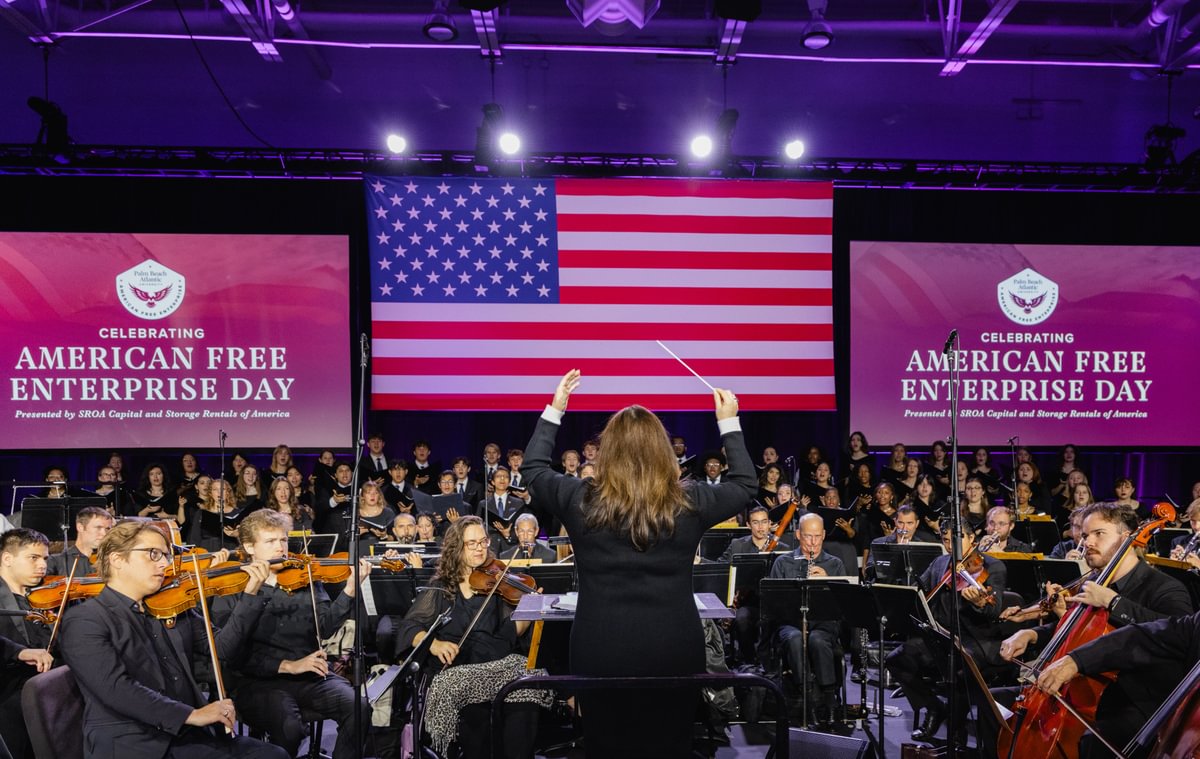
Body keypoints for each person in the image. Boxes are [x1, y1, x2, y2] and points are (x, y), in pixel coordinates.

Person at [522, 369, 755, 757]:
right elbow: (747, 485)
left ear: (607, 452)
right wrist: (728, 421)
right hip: (674, 647)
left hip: (599, 648)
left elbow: (532, 470)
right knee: (670, 746)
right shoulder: (690, 502)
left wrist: (555, 409)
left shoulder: (581, 499)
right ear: (663, 451)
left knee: (606, 747)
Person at [58, 520, 284, 759]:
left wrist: (250, 596)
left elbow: (222, 648)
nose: (165, 564)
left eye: (166, 555)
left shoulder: (172, 607)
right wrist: (191, 715)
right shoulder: (85, 619)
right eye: (153, 554)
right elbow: (117, 689)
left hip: (186, 734)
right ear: (117, 559)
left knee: (273, 754)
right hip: (136, 742)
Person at [992, 502, 1193, 757]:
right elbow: (1077, 629)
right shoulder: (1095, 581)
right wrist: (1031, 634)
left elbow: (1174, 636)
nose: (1087, 542)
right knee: (989, 703)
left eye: (1099, 534)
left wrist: (1113, 602)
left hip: (1132, 697)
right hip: (1077, 688)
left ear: (1126, 538)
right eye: (1085, 535)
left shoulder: (1165, 588)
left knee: (1092, 741)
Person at [211, 510, 372, 759]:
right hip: (256, 682)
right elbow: (229, 652)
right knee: (289, 726)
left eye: (283, 540)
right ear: (249, 547)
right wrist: (287, 666)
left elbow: (326, 627)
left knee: (358, 707)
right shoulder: (232, 585)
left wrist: (350, 590)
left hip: (308, 675)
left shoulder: (303, 575)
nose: (281, 548)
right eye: (271, 541)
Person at [388, 517, 549, 758]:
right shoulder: (442, 588)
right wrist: (434, 643)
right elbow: (409, 627)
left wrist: (530, 609)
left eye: (483, 541)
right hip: (460, 668)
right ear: (457, 548)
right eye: (471, 543)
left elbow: (510, 633)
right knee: (478, 718)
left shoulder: (497, 582)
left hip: (498, 664)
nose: (479, 548)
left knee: (525, 704)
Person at [887, 522, 1007, 741]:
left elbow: (994, 610)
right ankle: (933, 707)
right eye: (946, 540)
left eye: (957, 539)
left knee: (958, 669)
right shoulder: (940, 562)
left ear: (972, 538)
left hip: (974, 639)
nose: (951, 546)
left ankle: (956, 732)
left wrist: (979, 603)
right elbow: (919, 592)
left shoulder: (992, 566)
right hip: (939, 636)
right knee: (896, 659)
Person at [765, 512, 846, 722]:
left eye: (818, 536)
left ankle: (829, 699)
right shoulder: (783, 562)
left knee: (817, 640)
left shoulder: (835, 564)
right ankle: (809, 696)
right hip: (791, 623)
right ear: (799, 534)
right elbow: (773, 605)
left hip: (823, 623)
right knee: (794, 638)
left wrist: (829, 582)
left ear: (824, 535)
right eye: (808, 536)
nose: (813, 542)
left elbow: (843, 607)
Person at [0, 529, 52, 758]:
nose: (42, 565)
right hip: (8, 692)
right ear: (7, 559)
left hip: (47, 693)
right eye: (33, 557)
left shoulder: (46, 595)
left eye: (45, 559)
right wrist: (20, 652)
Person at [720, 506, 787, 666]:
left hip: (773, 604)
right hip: (748, 603)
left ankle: (771, 665)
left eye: (764, 522)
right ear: (749, 525)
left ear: (770, 523)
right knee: (742, 618)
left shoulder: (782, 548)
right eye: (756, 523)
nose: (761, 527)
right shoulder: (737, 545)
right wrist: (700, 561)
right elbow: (721, 567)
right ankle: (749, 662)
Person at [46, 506, 114, 576]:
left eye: (107, 528)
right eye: (98, 528)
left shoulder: (112, 560)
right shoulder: (56, 561)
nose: (104, 533)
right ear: (80, 527)